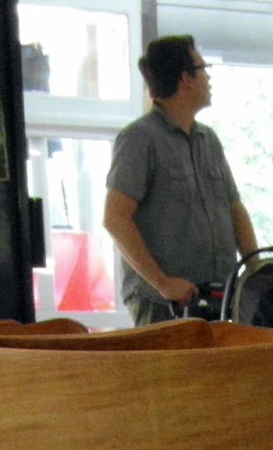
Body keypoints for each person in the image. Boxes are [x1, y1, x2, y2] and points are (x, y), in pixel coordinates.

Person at [103, 35, 257, 325]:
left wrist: (257, 271)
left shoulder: (208, 140)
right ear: (186, 78)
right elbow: (115, 218)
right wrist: (162, 282)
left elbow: (235, 208)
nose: (208, 77)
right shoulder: (139, 139)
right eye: (203, 67)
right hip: (163, 304)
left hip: (217, 301)